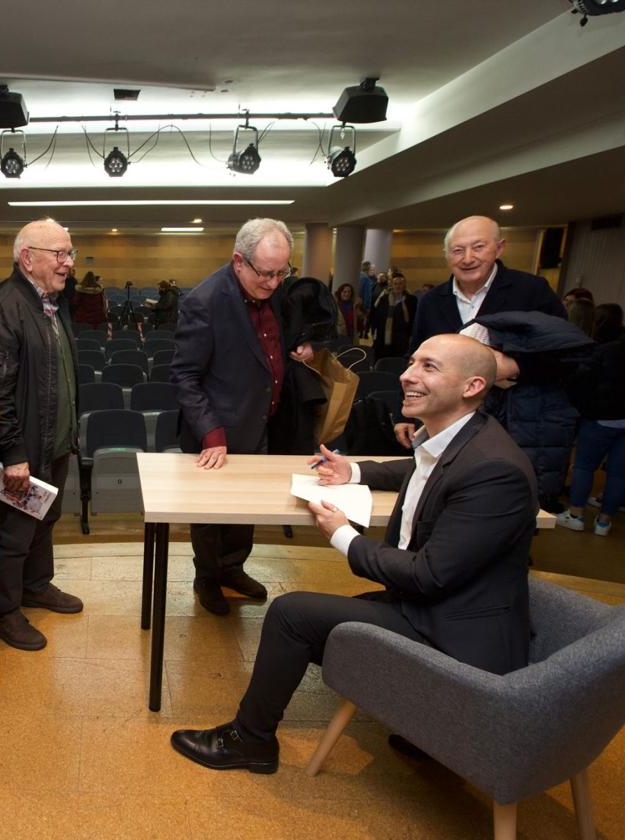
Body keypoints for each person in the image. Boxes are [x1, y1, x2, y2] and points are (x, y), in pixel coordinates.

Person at [171, 334, 537, 774]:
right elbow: (422, 469)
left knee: (291, 615)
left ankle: (250, 741)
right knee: (324, 622)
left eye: (429, 367)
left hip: (454, 638)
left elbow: (426, 575)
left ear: (473, 386)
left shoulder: (495, 471)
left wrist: (342, 534)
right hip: (442, 610)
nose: (407, 375)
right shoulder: (464, 440)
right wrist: (356, 470)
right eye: (412, 362)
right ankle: (425, 728)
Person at [172, 218, 314, 616]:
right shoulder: (205, 301)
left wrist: (304, 346)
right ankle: (207, 578)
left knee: (244, 510)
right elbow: (185, 375)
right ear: (239, 261)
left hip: (260, 421)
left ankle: (233, 568)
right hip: (214, 429)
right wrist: (211, 432)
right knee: (210, 514)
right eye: (265, 273)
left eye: (281, 272)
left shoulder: (277, 290)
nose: (273, 282)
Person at [0, 219, 84, 651]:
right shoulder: (4, 308)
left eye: (70, 254)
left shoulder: (49, 302)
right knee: (17, 530)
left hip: (53, 441)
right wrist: (13, 452)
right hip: (23, 448)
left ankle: (36, 585)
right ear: (28, 258)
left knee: (48, 516)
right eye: (60, 254)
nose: (69, 263)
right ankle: (3, 611)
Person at [395, 215, 566, 448]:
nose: (468, 258)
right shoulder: (432, 301)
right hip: (447, 421)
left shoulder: (531, 291)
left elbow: (567, 352)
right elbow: (415, 356)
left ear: (499, 248)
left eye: (478, 247)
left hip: (519, 420)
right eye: (457, 250)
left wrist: (515, 367)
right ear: (446, 256)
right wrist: (407, 415)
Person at [559, 310, 625, 536]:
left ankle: (576, 515)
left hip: (601, 419)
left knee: (584, 467)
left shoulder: (610, 350)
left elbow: (582, 382)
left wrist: (584, 409)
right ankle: (604, 523)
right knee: (621, 473)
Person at [369, 270, 418, 358]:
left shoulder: (411, 300)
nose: (398, 286)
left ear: (404, 285)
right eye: (395, 283)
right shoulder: (383, 299)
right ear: (391, 284)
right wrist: (374, 331)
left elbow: (413, 319)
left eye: (400, 283)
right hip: (383, 337)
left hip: (401, 338)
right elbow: (376, 316)